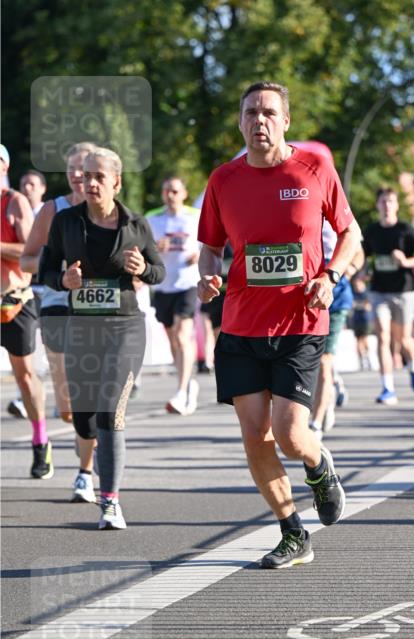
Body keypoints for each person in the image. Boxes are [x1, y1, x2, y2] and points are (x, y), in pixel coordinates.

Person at [197, 81, 361, 569]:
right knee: (255, 437)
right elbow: (211, 244)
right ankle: (293, 532)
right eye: (250, 112)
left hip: (300, 320)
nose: (259, 120)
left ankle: (317, 462)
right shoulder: (223, 180)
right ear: (240, 121)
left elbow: (351, 232)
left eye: (269, 111)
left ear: (285, 121)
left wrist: (331, 275)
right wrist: (209, 274)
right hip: (242, 325)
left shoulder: (314, 169)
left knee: (289, 434)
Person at [39, 147, 165, 529]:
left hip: (125, 329)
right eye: (84, 176)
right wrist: (63, 280)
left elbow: (158, 270)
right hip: (81, 330)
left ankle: (110, 501)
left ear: (116, 182)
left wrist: (144, 268)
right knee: (84, 420)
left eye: (98, 177)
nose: (89, 182)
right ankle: (91, 449)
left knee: (112, 412)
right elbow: (45, 269)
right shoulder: (65, 221)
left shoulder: (136, 224)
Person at [20, 143, 97, 500]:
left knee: (92, 395)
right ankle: (80, 437)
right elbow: (26, 260)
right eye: (70, 170)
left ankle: (87, 470)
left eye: (82, 168)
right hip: (56, 304)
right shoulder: (53, 209)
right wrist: (58, 268)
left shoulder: (111, 213)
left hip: (99, 308)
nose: (76, 176)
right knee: (68, 408)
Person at [1, 144, 53, 477]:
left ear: (4, 165)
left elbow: (32, 252)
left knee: (25, 376)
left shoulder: (14, 202)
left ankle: (40, 441)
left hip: (13, 300)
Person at [362, 186, 414, 405]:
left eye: (390, 201)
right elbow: (361, 256)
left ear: (397, 205)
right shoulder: (371, 231)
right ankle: (387, 387)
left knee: (403, 340)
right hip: (379, 290)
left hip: (404, 290)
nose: (387, 205)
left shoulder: (406, 231)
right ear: (377, 205)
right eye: (383, 201)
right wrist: (361, 272)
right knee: (383, 336)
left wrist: (406, 262)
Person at [146, 177, 201, 415]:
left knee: (182, 334)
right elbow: (142, 248)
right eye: (167, 190)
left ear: (184, 193)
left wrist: (200, 254)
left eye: (175, 191)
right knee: (173, 340)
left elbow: (210, 243)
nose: (170, 195)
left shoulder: (195, 216)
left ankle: (181, 391)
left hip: (188, 283)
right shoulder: (152, 218)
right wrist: (156, 249)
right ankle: (187, 382)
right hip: (162, 285)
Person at [309, 221, 364, 437]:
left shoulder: (339, 213)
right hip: (305, 296)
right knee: (310, 359)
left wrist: (346, 271)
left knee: (324, 358)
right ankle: (330, 390)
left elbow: (358, 252)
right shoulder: (297, 205)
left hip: (336, 297)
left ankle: (315, 422)